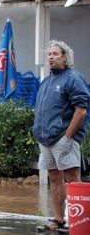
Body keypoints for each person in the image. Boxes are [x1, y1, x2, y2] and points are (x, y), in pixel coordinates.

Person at [33, 40, 90, 233]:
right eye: (49, 54)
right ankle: (58, 220)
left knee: (72, 178)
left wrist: (68, 137)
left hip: (64, 139)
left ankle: (80, 222)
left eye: (55, 54)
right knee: (54, 178)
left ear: (65, 57)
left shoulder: (74, 78)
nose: (50, 57)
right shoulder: (47, 81)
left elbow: (81, 111)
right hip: (45, 140)